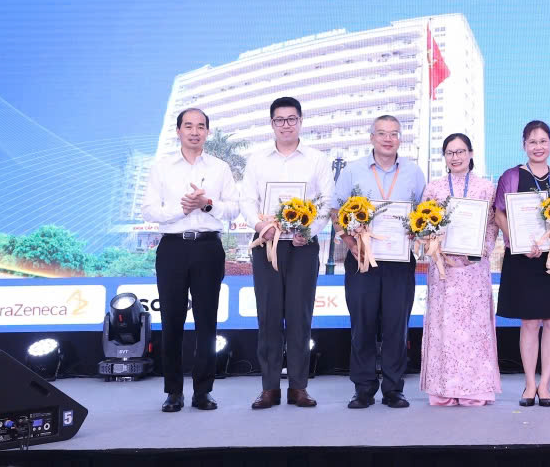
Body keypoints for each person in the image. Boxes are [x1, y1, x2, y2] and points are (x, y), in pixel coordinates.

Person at [141, 107, 240, 412]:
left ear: (207, 132)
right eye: (188, 126)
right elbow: (148, 210)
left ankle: (203, 391)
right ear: (178, 131)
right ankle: (173, 391)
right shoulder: (162, 168)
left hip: (208, 248)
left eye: (200, 126)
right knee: (172, 320)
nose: (194, 132)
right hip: (172, 248)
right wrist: (182, 209)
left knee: (207, 321)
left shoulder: (220, 168)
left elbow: (233, 208)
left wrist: (207, 204)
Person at [240, 96, 332, 410]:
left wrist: (309, 231)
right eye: (279, 120)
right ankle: (269, 388)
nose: (286, 125)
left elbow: (326, 201)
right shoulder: (257, 160)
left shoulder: (317, 159)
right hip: (266, 245)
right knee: (268, 317)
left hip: (302, 247)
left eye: (292, 119)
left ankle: (298, 387)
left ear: (301, 121)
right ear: (272, 124)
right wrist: (259, 226)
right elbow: (247, 200)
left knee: (299, 317)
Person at [330, 114, 426, 409]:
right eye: (382, 133)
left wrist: (417, 232)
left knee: (397, 326)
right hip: (361, 259)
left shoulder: (413, 172)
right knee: (363, 325)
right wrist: (351, 244)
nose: (388, 139)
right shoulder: (353, 171)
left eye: (393, 133)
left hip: (400, 261)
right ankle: (363, 389)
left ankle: (394, 389)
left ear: (400, 138)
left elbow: (422, 214)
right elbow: (335, 211)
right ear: (371, 137)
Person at [493, 120, 550, 407]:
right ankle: (529, 384)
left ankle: (546, 385)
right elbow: (499, 214)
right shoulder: (511, 176)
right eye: (532, 142)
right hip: (524, 258)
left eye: (543, 141)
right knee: (528, 322)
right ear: (524, 145)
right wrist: (516, 241)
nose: (538, 147)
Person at [419, 133, 501, 406]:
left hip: (474, 269)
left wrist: (481, 250)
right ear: (444, 157)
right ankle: (443, 389)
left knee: (474, 327)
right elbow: (422, 224)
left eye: (461, 151)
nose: (455, 157)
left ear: (471, 153)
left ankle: (475, 390)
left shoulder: (486, 188)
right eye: (450, 152)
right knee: (444, 326)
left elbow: (492, 224)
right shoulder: (433, 188)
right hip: (443, 269)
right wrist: (435, 246)